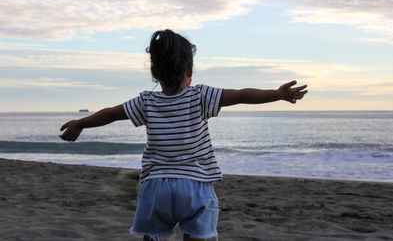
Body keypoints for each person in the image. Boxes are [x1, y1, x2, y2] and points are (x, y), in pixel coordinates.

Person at [60, 29, 308, 241]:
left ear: (154, 74)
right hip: (194, 185)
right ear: (190, 68)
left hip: (155, 187)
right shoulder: (200, 96)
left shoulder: (146, 101)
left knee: (154, 235)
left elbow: (112, 114)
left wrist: (80, 123)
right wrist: (278, 94)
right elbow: (242, 95)